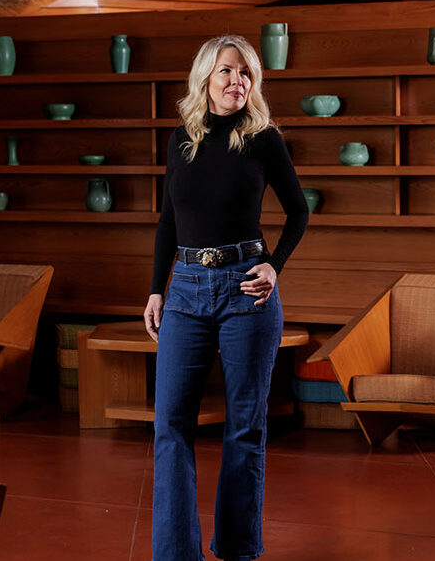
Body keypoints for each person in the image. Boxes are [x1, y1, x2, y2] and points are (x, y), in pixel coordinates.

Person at [143, 34, 308, 561]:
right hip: (186, 290)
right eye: (228, 71)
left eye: (247, 73)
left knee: (245, 426)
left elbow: (299, 212)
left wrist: (273, 266)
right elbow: (169, 220)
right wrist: (154, 288)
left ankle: (238, 549)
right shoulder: (181, 140)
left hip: (246, 289)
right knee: (170, 424)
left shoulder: (264, 139)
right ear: (205, 79)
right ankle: (176, 553)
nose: (238, 81)